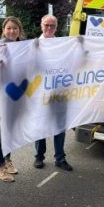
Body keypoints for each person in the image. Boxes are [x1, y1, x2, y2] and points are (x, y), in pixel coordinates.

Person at [33, 14, 73, 171]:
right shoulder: (33, 45)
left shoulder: (62, 45)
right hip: (40, 92)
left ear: (56, 27)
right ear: (41, 26)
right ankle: (39, 156)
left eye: (52, 26)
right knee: (40, 125)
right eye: (46, 25)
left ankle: (60, 158)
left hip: (59, 91)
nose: (49, 28)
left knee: (59, 126)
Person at [0, 16, 23, 182]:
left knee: (9, 127)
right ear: (3, 30)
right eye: (8, 28)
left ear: (19, 31)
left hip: (13, 92)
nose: (11, 31)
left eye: (15, 28)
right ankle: (0, 167)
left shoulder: (23, 46)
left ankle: (8, 160)